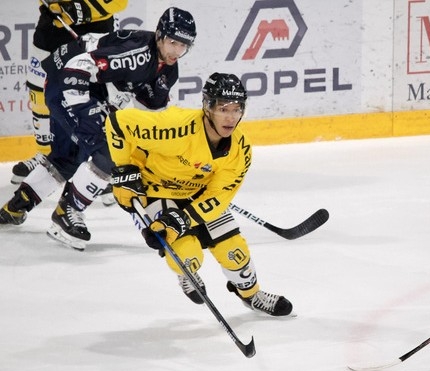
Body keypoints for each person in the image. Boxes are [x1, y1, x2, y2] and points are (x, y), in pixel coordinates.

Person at [0, 7, 197, 251]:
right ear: (160, 35)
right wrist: (85, 113)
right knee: (108, 153)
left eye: (184, 45)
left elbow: (151, 119)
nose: (177, 51)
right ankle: (67, 212)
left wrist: (161, 151)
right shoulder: (139, 54)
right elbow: (78, 67)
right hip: (67, 81)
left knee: (68, 158)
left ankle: (17, 205)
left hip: (85, 88)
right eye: (173, 42)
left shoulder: (168, 70)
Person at [105, 72, 293, 317]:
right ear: (207, 107)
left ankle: (252, 295)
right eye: (224, 108)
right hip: (156, 189)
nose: (231, 117)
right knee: (187, 255)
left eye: (237, 109)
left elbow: (219, 196)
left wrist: (184, 219)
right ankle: (187, 273)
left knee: (234, 252)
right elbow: (117, 123)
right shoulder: (173, 128)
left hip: (197, 193)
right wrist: (124, 171)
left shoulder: (240, 149)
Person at [13, 0, 129, 185]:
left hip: (96, 29)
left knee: (98, 94)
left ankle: (104, 163)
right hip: (51, 25)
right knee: (38, 88)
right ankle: (44, 154)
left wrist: (77, 9)